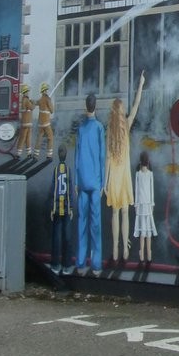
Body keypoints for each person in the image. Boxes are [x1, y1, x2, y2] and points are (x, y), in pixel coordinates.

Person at [104, 70, 146, 263]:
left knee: (114, 213)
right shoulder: (127, 125)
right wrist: (141, 84)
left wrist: (105, 182)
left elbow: (107, 158)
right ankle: (125, 249)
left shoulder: (109, 131)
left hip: (113, 176)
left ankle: (114, 248)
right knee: (125, 213)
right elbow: (136, 105)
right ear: (121, 113)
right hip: (124, 176)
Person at [74, 93, 106, 276]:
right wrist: (102, 183)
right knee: (96, 224)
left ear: (86, 106)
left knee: (82, 223)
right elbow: (102, 157)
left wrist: (76, 181)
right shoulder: (99, 128)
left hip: (82, 180)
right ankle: (96, 265)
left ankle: (80, 263)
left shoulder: (80, 129)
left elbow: (77, 156)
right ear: (96, 106)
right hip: (95, 181)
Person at [48, 144, 74, 275]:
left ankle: (55, 264)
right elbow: (70, 190)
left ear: (58, 155)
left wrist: (52, 208)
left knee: (57, 238)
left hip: (57, 208)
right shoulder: (68, 170)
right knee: (67, 238)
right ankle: (66, 265)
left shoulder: (56, 170)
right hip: (66, 208)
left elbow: (53, 190)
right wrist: (71, 207)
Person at [133, 150, 157, 263]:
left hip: (144, 205)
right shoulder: (144, 174)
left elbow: (137, 190)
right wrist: (151, 203)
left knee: (144, 231)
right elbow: (150, 191)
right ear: (147, 162)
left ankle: (144, 253)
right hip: (145, 205)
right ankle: (147, 253)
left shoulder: (141, 174)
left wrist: (137, 204)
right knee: (146, 231)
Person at [33, 81, 55, 159]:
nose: (47, 91)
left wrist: (32, 101)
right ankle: (49, 155)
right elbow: (52, 110)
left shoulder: (41, 99)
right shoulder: (48, 99)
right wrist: (50, 103)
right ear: (45, 90)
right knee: (50, 137)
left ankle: (35, 155)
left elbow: (36, 102)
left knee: (39, 137)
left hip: (40, 123)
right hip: (46, 123)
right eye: (46, 90)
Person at [17, 84, 34, 158]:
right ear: (25, 92)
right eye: (27, 92)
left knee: (27, 138)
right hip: (26, 123)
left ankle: (29, 153)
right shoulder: (26, 100)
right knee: (23, 138)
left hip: (27, 123)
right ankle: (18, 154)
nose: (28, 93)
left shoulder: (25, 100)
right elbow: (32, 107)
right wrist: (33, 103)